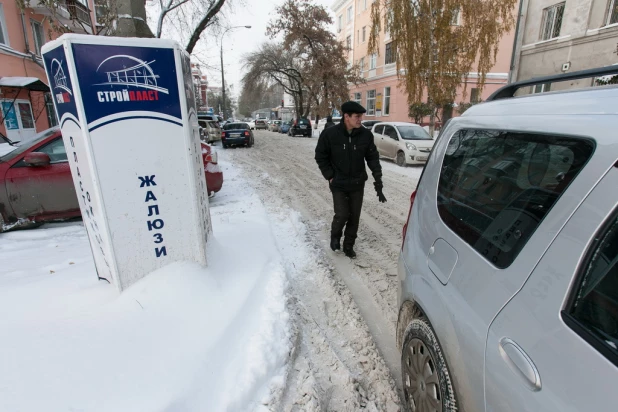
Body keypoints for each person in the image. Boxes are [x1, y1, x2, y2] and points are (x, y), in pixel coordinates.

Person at [315, 101, 387, 259]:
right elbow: (320, 155)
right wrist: (330, 175)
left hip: (357, 183)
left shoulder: (365, 135)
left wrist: (378, 180)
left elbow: (373, 159)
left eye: (361, 117)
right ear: (346, 116)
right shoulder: (330, 134)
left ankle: (349, 245)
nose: (360, 120)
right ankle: (335, 237)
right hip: (338, 183)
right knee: (342, 214)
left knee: (354, 216)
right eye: (357, 117)